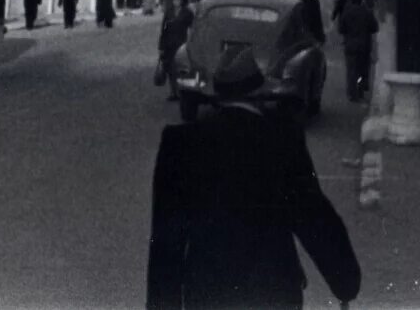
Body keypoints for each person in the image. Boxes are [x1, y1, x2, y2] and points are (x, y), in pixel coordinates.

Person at [146, 46, 362, 310]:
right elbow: (314, 218)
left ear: (217, 96)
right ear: (258, 95)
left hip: (207, 293)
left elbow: (166, 240)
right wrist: (345, 284)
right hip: (274, 291)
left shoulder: (180, 144)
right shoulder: (282, 141)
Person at [337, 0, 378, 103]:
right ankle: (360, 91)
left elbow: (341, 29)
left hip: (350, 46)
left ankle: (352, 94)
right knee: (361, 71)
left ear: (351, 0)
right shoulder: (367, 12)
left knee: (351, 71)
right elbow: (375, 27)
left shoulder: (347, 12)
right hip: (364, 46)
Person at [158, 0, 195, 102]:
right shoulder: (169, 12)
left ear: (182, 1)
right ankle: (173, 92)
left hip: (181, 44)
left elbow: (192, 28)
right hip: (169, 44)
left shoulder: (187, 13)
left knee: (180, 69)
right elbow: (163, 30)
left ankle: (181, 91)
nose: (175, 2)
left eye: (178, 0)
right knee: (170, 69)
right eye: (174, 0)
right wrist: (161, 46)